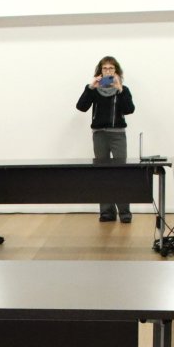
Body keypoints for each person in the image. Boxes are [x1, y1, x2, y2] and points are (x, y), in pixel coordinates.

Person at [76, 55, 136, 223]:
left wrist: (120, 89)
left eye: (111, 69)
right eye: (105, 69)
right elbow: (81, 107)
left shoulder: (123, 89)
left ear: (116, 71)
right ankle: (106, 212)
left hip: (117, 135)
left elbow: (129, 109)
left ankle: (124, 212)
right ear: (100, 72)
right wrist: (90, 87)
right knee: (102, 173)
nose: (108, 71)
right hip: (99, 134)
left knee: (121, 173)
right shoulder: (94, 90)